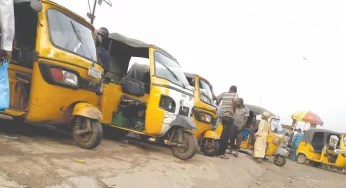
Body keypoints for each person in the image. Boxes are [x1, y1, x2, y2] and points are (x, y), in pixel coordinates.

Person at [211, 85, 238, 159]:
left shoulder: (224, 94)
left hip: (223, 117)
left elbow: (215, 98)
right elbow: (235, 102)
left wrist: (211, 89)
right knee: (226, 137)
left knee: (223, 135)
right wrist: (234, 111)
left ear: (229, 89)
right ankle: (221, 153)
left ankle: (218, 152)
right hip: (230, 117)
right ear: (235, 90)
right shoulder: (235, 95)